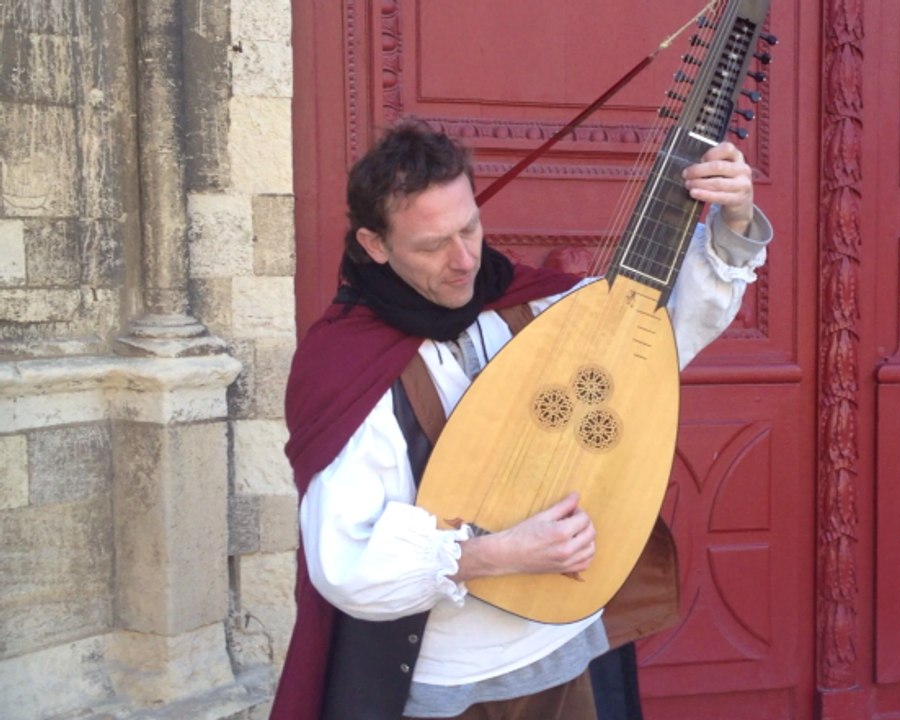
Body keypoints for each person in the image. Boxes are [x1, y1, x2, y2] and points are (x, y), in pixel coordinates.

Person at [271, 118, 773, 720]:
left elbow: (661, 337)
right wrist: (497, 555)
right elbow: (346, 562)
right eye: (432, 245)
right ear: (375, 245)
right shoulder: (346, 365)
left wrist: (734, 221)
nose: (463, 261)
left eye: (470, 228)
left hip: (574, 648)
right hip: (459, 684)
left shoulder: (529, 304)